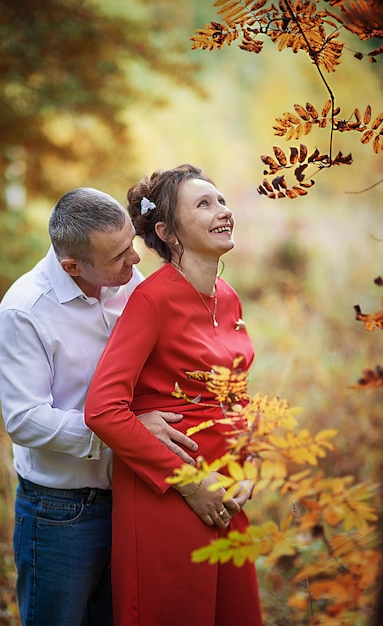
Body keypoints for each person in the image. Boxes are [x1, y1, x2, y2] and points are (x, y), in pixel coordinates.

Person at [0, 187, 198, 626]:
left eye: (131, 246)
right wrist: (126, 431)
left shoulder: (129, 284)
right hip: (61, 512)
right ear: (72, 266)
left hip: (133, 498)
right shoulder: (25, 312)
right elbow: (25, 420)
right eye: (118, 257)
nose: (135, 262)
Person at [85, 165, 263, 626]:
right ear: (167, 231)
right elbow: (103, 409)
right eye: (203, 204)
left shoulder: (228, 295)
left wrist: (250, 462)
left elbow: (237, 393)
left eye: (221, 200)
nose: (223, 211)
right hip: (170, 494)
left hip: (226, 492)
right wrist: (188, 483)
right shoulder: (152, 300)